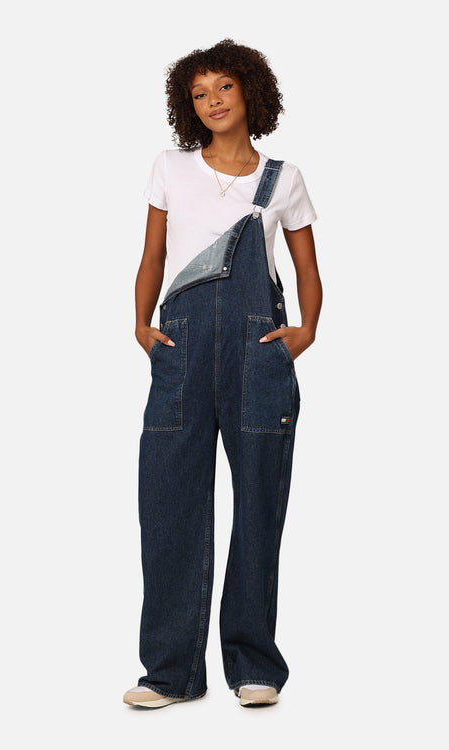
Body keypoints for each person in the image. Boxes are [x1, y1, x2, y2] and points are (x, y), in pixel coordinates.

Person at [123, 38, 323, 709]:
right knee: (167, 507)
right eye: (199, 93)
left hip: (257, 358)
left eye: (224, 88)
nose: (212, 101)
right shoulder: (170, 168)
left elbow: (307, 269)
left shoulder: (283, 179)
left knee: (260, 506)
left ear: (250, 92)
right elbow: (153, 255)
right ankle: (169, 673)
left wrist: (304, 333)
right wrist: (141, 324)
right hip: (178, 354)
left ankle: (254, 665)